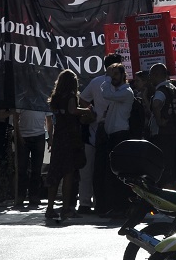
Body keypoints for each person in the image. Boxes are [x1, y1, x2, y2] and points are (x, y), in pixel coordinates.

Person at [79, 53, 123, 213]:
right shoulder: (121, 84)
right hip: (112, 132)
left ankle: (85, 202)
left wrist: (91, 111)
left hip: (95, 130)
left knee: (89, 169)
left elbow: (82, 98)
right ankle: (101, 202)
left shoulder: (96, 82)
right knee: (105, 169)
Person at [47, 70, 91, 221]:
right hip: (70, 137)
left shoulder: (56, 97)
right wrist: (87, 110)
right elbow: (72, 110)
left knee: (54, 173)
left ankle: (50, 207)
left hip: (59, 136)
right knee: (68, 173)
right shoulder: (71, 96)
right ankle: (66, 208)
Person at [98, 62, 135, 216]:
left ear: (122, 76)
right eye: (112, 74)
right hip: (112, 135)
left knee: (119, 172)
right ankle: (115, 205)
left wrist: (107, 77)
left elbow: (105, 93)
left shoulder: (126, 91)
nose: (113, 77)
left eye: (116, 74)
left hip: (120, 135)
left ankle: (122, 206)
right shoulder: (117, 91)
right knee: (111, 173)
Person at [148, 63, 176, 186]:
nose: (150, 78)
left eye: (151, 75)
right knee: (172, 167)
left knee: (162, 167)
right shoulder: (174, 90)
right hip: (174, 133)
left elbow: (156, 104)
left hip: (162, 135)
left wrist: (159, 121)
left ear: (156, 75)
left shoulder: (161, 91)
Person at [15, 108, 52, 209]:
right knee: (22, 168)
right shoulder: (22, 100)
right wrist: (18, 136)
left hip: (39, 135)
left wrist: (50, 137)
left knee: (37, 168)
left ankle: (34, 195)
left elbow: (49, 120)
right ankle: (21, 195)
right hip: (24, 135)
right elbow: (16, 118)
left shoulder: (42, 101)